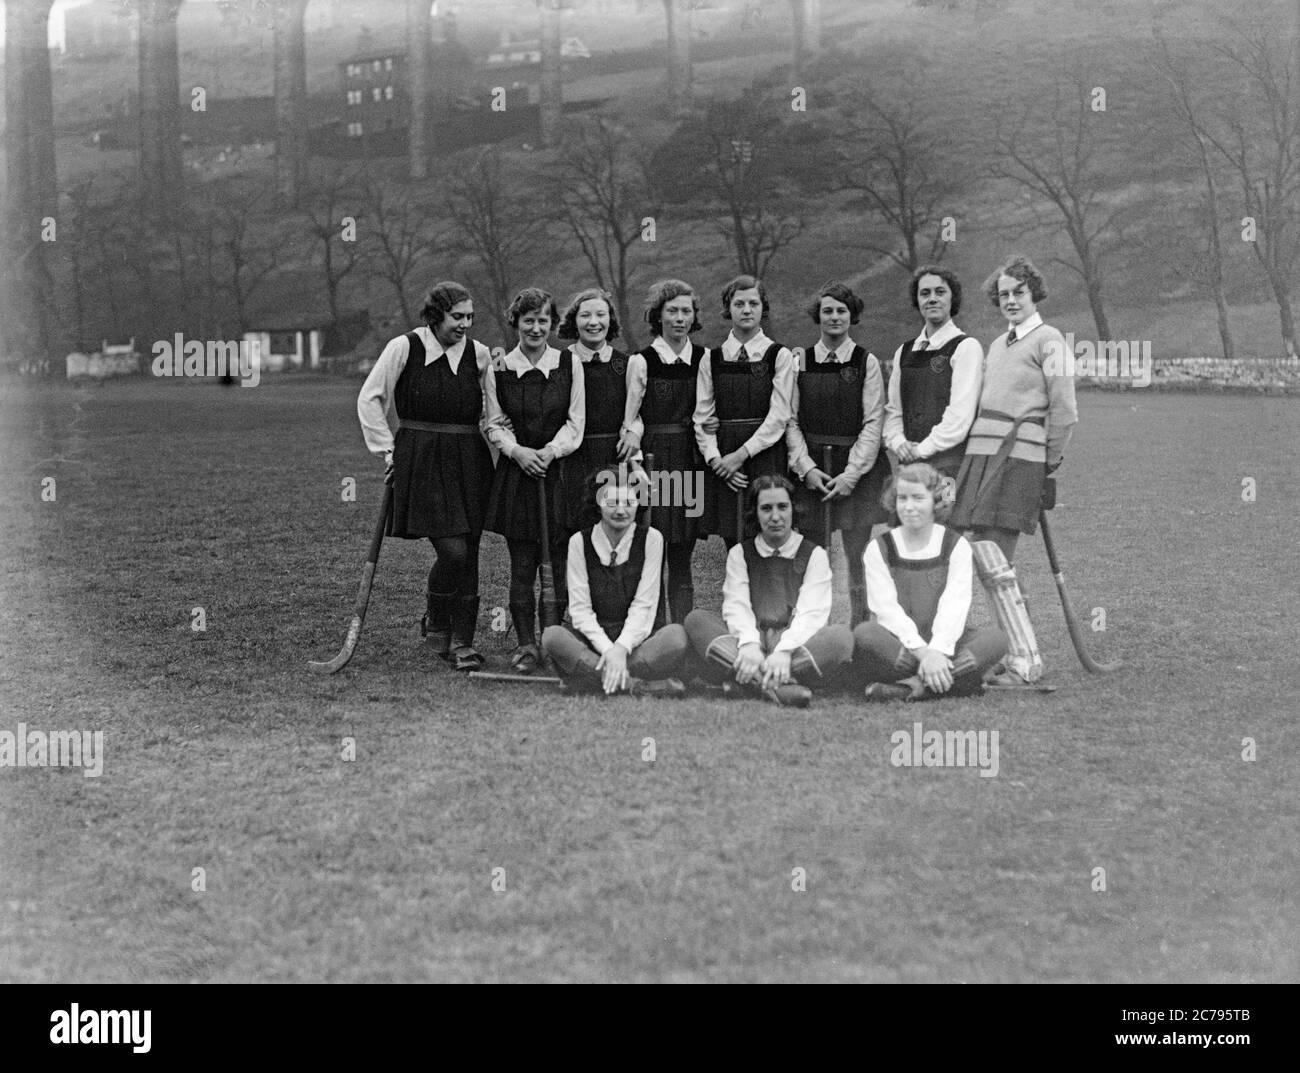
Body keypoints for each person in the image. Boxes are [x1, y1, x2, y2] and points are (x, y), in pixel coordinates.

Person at [356, 280, 493, 671]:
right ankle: (436, 618)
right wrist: (387, 450)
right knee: (453, 550)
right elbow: (371, 397)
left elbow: (494, 411)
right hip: (420, 457)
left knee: (470, 550)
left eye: (470, 317)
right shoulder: (405, 347)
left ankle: (462, 641)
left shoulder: (479, 354)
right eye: (457, 316)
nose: (465, 324)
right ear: (436, 315)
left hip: (470, 459)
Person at [482, 287, 586, 674]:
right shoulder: (500, 368)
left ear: (553, 324)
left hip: (558, 473)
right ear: (516, 323)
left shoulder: (568, 364)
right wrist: (519, 453)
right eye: (529, 321)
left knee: (558, 566)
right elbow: (493, 424)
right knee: (522, 566)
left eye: (544, 320)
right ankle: (526, 645)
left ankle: (554, 643)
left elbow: (577, 422)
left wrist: (550, 452)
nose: (537, 328)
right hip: (518, 476)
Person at [949, 255, 1077, 564]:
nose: (1011, 300)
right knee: (980, 555)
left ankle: (1014, 612)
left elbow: (1066, 410)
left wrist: (1049, 459)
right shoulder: (996, 344)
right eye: (1004, 294)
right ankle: (1014, 611)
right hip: (981, 458)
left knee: (995, 560)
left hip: (1019, 460)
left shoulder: (1051, 340)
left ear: (1034, 293)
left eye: (1019, 292)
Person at [684, 475, 854, 707]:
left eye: (782, 507)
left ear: (794, 509)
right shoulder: (740, 553)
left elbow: (812, 613)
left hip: (794, 644)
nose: (775, 517)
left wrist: (784, 651)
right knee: (697, 619)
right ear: (755, 512)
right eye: (766, 508)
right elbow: (737, 606)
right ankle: (780, 686)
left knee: (841, 638)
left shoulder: (814, 554)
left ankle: (749, 681)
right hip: (749, 643)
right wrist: (750, 645)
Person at [854, 463, 1008, 701]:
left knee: (996, 639)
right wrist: (925, 654)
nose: (909, 506)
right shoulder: (879, 547)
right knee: (865, 633)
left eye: (918, 498)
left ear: (935, 501)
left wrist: (938, 650)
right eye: (902, 498)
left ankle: (912, 687)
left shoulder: (955, 545)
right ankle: (954, 679)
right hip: (901, 644)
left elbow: (954, 603)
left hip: (946, 643)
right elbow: (885, 609)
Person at [785, 280, 889, 626]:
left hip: (854, 473)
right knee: (815, 559)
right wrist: (807, 468)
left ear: (851, 315)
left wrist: (851, 474)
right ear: (818, 316)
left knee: (858, 557)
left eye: (841, 311)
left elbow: (874, 421)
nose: (834, 317)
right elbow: (790, 421)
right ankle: (815, 635)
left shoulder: (865, 362)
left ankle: (861, 632)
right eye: (827, 310)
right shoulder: (800, 360)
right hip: (813, 472)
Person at [541, 473, 689, 697]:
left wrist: (621, 649)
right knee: (552, 636)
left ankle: (590, 679)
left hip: (638, 643)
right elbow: (580, 611)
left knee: (676, 637)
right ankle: (635, 686)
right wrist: (609, 650)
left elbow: (644, 605)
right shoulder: (579, 542)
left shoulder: (652, 539)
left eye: (629, 503)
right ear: (598, 504)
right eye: (612, 503)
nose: (621, 511)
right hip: (593, 644)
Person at [624, 279, 708, 622]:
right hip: (654, 462)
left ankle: (684, 633)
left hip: (689, 462)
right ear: (657, 316)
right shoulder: (641, 362)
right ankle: (657, 632)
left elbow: (707, 410)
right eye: (671, 311)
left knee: (682, 555)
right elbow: (630, 421)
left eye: (685, 311)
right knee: (653, 551)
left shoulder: (704, 358)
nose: (679, 318)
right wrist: (635, 465)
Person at [694, 275, 796, 547]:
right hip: (725, 458)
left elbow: (779, 416)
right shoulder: (711, 358)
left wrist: (741, 455)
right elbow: (702, 416)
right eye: (739, 304)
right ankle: (735, 589)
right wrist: (718, 461)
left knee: (766, 531)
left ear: (764, 307)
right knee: (731, 535)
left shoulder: (779, 355)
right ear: (729, 308)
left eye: (754, 303)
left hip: (764, 454)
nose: (747, 310)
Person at [555, 287, 643, 544]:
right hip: (572, 458)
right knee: (571, 534)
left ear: (610, 320)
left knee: (611, 534)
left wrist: (634, 432)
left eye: (600, 315)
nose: (593, 322)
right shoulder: (560, 362)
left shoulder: (626, 364)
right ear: (574, 321)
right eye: (585, 316)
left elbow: (638, 409)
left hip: (612, 457)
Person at [883, 264, 983, 480]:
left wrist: (921, 450)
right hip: (909, 469)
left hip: (951, 469)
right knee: (912, 513)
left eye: (940, 292)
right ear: (917, 300)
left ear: (952, 298)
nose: (932, 299)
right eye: (925, 293)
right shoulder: (904, 351)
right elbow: (893, 411)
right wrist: (899, 443)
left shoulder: (966, 347)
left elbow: (959, 417)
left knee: (949, 512)